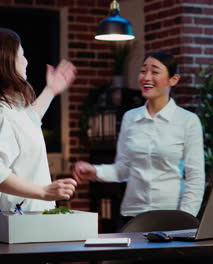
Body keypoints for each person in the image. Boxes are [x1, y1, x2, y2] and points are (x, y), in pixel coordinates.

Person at [72, 51, 205, 227]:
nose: (146, 77)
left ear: (173, 79)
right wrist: (95, 171)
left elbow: (195, 178)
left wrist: (184, 219)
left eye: (155, 72)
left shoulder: (188, 121)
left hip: (172, 216)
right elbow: (124, 169)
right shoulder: (130, 118)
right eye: (143, 71)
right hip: (133, 216)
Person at [0, 27, 77, 237]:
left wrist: (51, 90)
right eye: (21, 55)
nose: (26, 61)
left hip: (28, 229)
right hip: (15, 233)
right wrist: (43, 191)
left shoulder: (11, 111)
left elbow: (29, 122)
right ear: (4, 62)